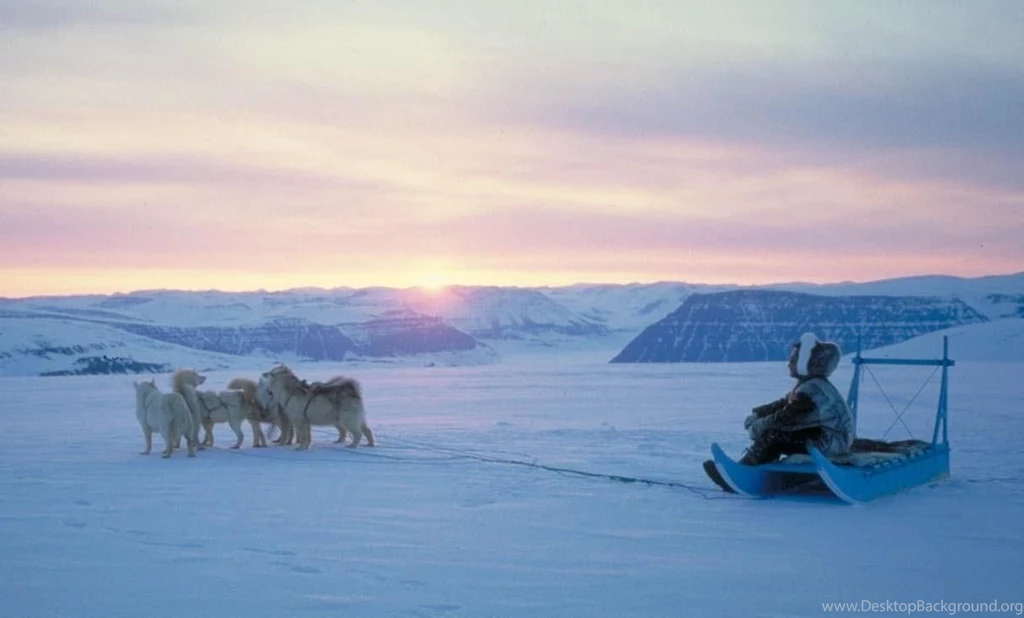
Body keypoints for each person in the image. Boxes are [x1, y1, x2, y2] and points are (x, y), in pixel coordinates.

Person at [703, 332, 856, 492]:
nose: (789, 363)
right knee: (775, 434)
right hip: (829, 437)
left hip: (831, 442)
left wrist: (758, 426)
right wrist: (758, 413)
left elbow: (787, 417)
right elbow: (784, 402)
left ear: (807, 363)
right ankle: (759, 465)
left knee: (773, 435)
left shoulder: (812, 390)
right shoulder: (811, 385)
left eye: (794, 359)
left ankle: (743, 471)